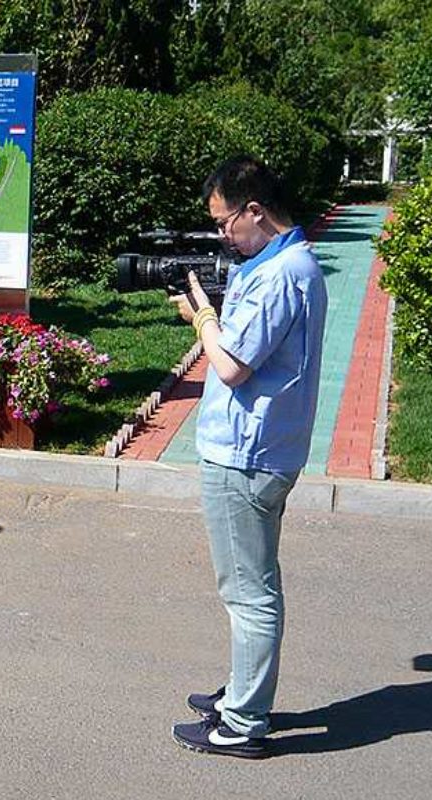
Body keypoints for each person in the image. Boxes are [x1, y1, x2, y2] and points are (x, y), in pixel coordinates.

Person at [169, 155, 328, 759]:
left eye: (224, 222)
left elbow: (233, 364)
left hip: (247, 454)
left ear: (254, 211)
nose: (221, 234)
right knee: (252, 583)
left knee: (249, 592)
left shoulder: (283, 273)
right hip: (263, 447)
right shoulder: (284, 265)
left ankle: (241, 722)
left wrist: (203, 316)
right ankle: (243, 691)